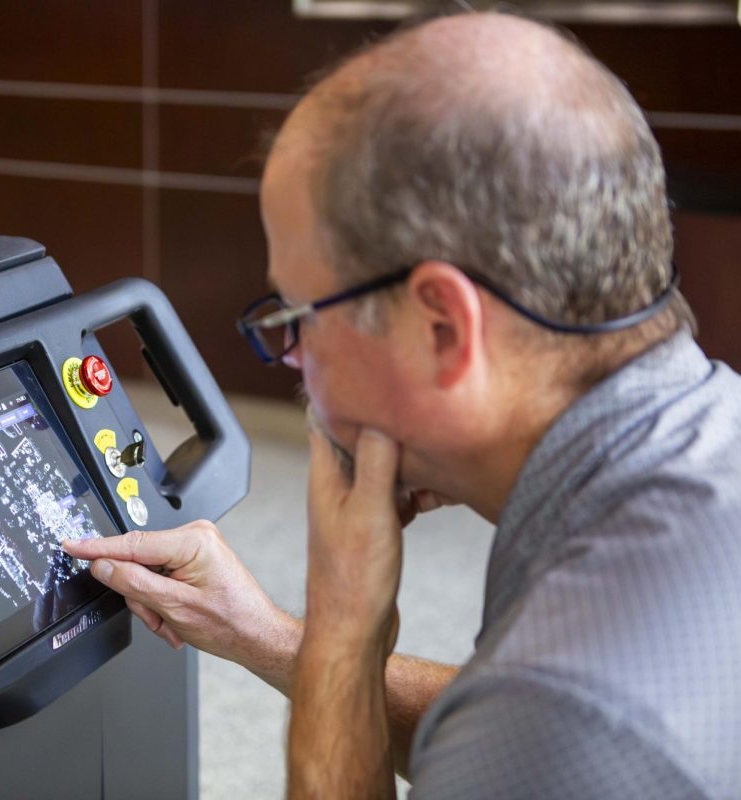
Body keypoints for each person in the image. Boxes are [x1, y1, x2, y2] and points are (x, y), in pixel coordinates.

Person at [63, 10, 741, 800]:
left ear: (444, 328)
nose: (297, 364)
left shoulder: (570, 710)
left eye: (299, 321)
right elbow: (490, 745)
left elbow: (543, 733)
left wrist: (344, 636)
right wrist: (272, 639)